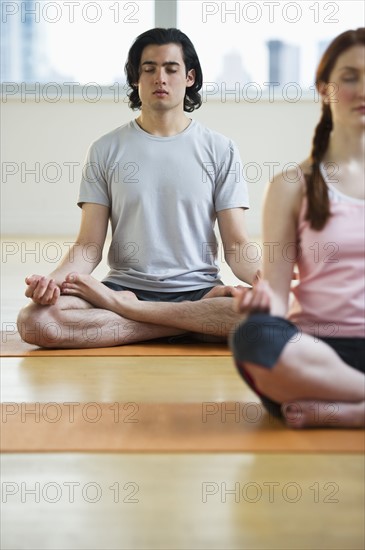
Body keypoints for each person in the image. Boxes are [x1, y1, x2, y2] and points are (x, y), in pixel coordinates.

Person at [17, 28, 261, 349]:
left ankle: (137, 313)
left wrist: (267, 280)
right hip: (123, 286)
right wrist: (54, 281)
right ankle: (189, 323)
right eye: (149, 69)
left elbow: (237, 245)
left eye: (171, 69)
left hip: (198, 289)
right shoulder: (106, 149)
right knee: (35, 322)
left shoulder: (220, 149)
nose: (160, 77)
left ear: (189, 78)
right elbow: (88, 245)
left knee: (266, 319)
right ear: (136, 78)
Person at [230, 28, 365, 429]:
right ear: (324, 88)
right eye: (350, 76)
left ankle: (352, 410)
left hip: (324, 384)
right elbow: (274, 290)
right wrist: (259, 305)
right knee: (253, 338)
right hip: (314, 352)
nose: (363, 88)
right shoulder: (293, 184)